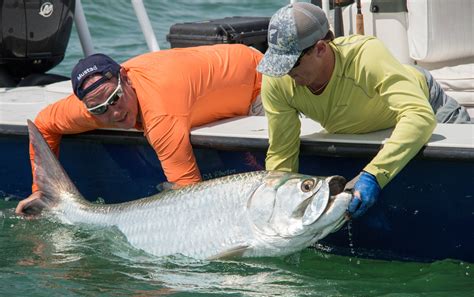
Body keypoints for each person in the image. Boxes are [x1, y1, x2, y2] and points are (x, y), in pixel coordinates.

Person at [257, 3, 471, 219]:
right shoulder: (277, 80)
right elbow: (282, 152)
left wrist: (373, 175)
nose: (283, 72)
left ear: (320, 49)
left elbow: (420, 116)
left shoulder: (366, 55)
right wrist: (277, 203)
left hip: (429, 103)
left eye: (290, 63)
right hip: (361, 126)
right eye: (277, 62)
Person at [15, 44, 263, 215]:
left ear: (126, 77)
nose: (114, 113)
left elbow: (190, 196)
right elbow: (44, 125)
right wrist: (40, 192)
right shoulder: (92, 105)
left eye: (115, 98)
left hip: (258, 80)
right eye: (100, 109)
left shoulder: (161, 112)